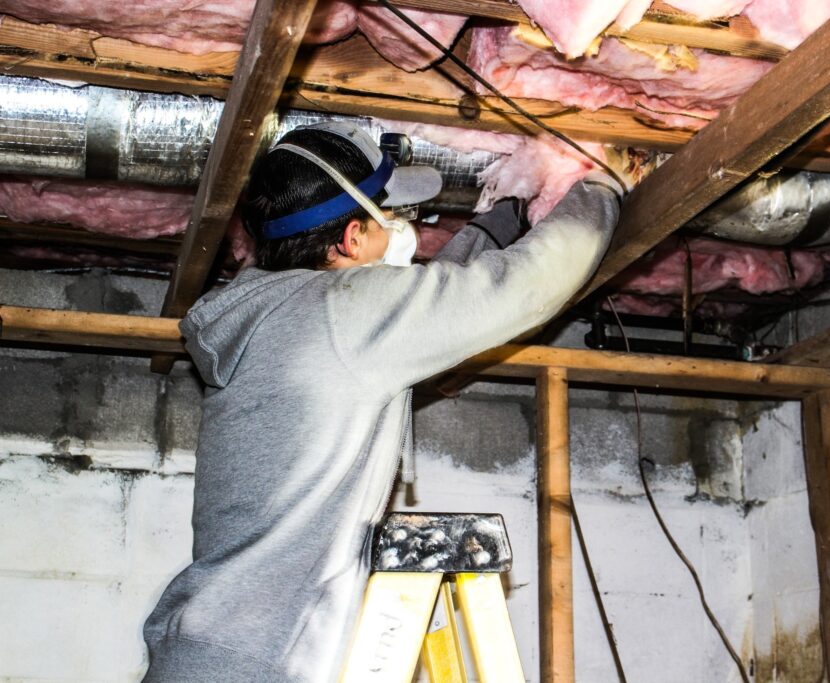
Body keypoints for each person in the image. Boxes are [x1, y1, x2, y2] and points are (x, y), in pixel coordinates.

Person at [142, 121, 622, 682]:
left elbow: (435, 297)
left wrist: (502, 220)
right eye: (389, 216)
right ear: (350, 239)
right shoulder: (342, 313)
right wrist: (599, 187)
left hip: (213, 652)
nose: (401, 229)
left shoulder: (281, 314)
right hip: (260, 663)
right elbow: (523, 286)